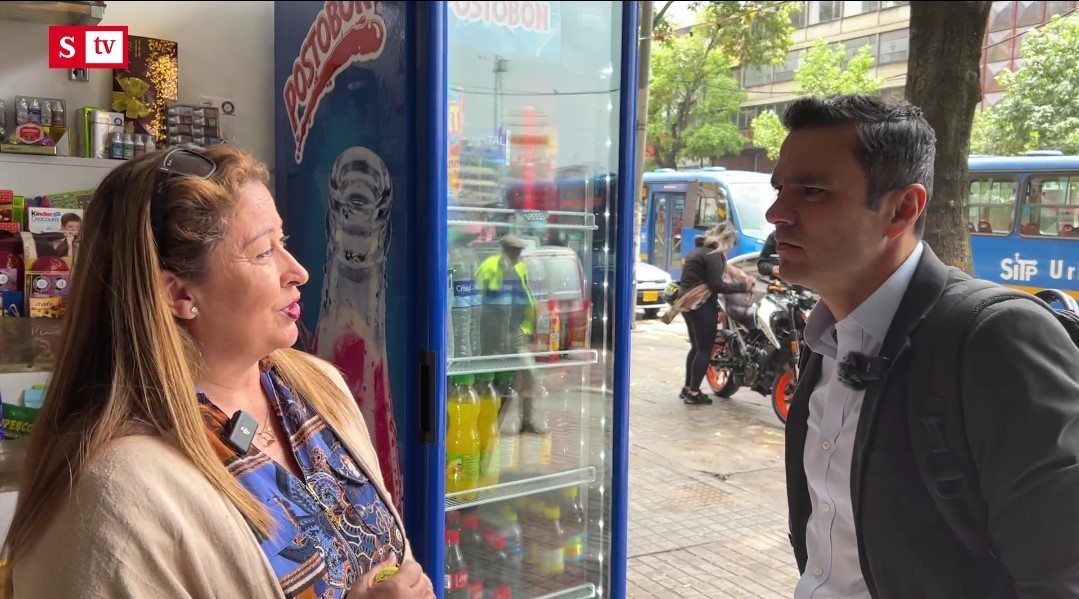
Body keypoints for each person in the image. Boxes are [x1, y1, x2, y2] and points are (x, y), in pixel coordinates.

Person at [1, 144, 436, 599]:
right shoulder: (111, 496)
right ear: (178, 295)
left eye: (283, 242)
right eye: (263, 252)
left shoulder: (318, 387)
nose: (299, 271)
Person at [770, 94, 1079, 597]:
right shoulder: (825, 340)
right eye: (780, 189)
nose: (777, 213)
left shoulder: (994, 338)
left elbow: (1061, 575)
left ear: (902, 209)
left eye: (812, 191)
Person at [676, 223, 755, 405]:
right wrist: (743, 286)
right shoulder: (714, 255)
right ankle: (694, 393)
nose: (731, 247)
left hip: (688, 304)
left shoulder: (699, 251)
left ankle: (688, 388)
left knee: (696, 348)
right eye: (732, 243)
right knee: (704, 349)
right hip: (701, 305)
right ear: (726, 240)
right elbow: (717, 285)